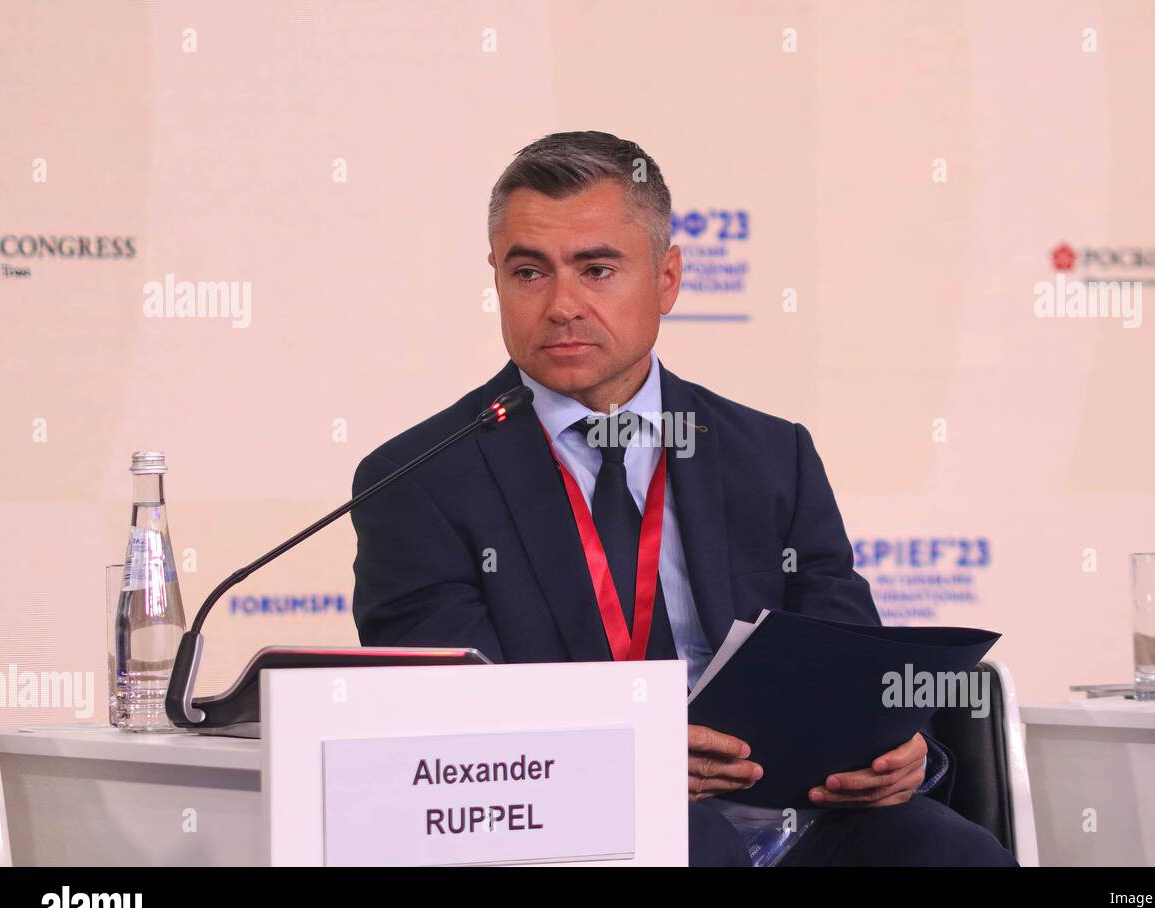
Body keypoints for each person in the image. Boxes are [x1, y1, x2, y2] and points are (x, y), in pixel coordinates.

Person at [351, 130, 1015, 866]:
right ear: (498, 280)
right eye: (530, 272)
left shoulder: (771, 455)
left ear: (666, 278)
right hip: (577, 827)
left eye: (597, 269)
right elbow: (448, 729)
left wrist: (897, 747)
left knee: (951, 852)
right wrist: (632, 755)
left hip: (797, 811)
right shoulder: (418, 480)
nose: (563, 305)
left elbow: (851, 660)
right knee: (692, 846)